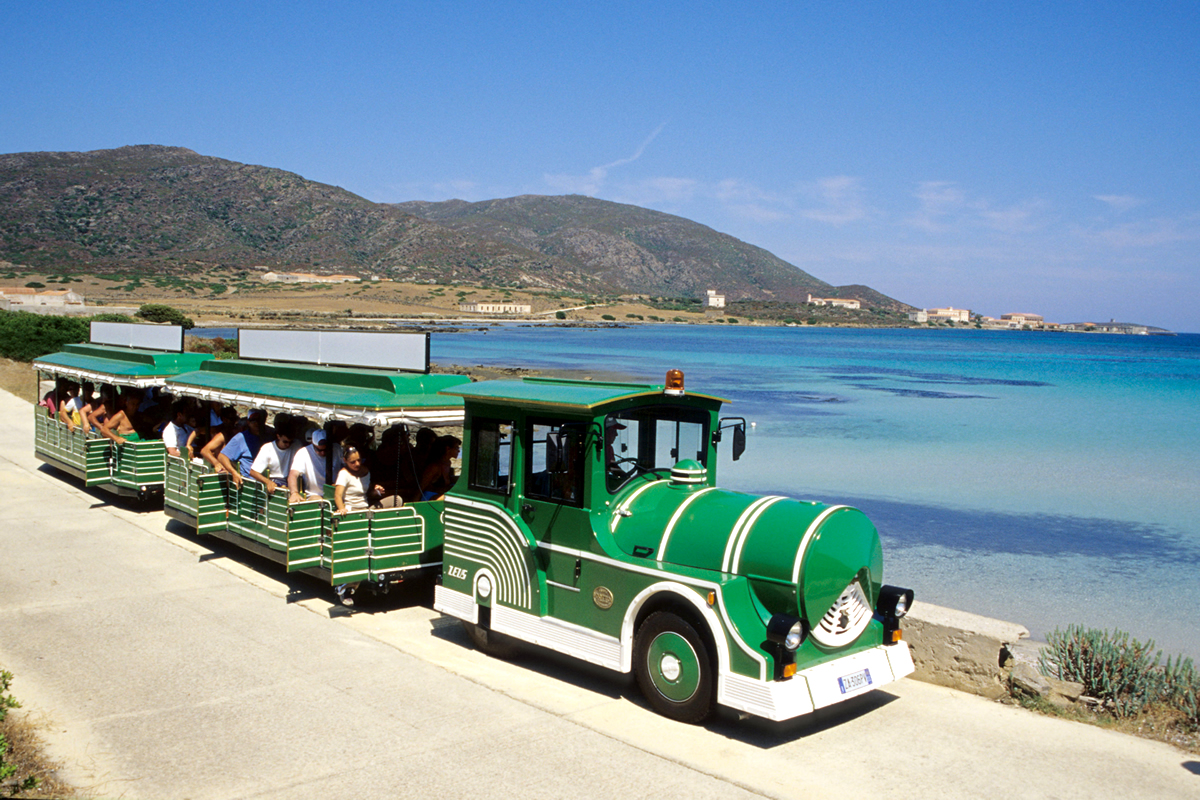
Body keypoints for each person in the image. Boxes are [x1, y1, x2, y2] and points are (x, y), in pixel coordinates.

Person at [215, 409, 267, 487]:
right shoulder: (241, 438)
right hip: (249, 483)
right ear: (248, 422)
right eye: (253, 420)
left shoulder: (269, 435)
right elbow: (222, 456)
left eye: (260, 420)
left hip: (266, 481)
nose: (257, 423)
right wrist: (234, 473)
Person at [249, 418, 299, 495]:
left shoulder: (296, 445)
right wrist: (268, 482)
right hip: (274, 480)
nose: (288, 445)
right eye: (285, 442)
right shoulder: (267, 448)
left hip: (291, 479)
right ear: (278, 436)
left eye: (290, 442)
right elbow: (253, 472)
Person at [334, 446, 382, 514]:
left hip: (366, 509)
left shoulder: (366, 472)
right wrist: (342, 509)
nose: (357, 464)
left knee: (397, 500)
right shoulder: (343, 474)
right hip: (351, 510)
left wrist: (376, 491)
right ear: (345, 460)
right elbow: (338, 496)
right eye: (352, 462)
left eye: (359, 460)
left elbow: (368, 494)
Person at [288, 429, 331, 503]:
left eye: (325, 449)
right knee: (320, 502)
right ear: (312, 444)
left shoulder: (337, 449)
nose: (323, 453)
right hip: (314, 495)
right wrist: (294, 493)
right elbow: (293, 475)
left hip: (335, 494)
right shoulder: (303, 453)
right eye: (319, 450)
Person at [417, 435, 461, 501]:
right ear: (448, 449)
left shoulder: (448, 463)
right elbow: (421, 487)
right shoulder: (435, 467)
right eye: (456, 448)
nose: (459, 451)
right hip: (430, 497)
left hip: (440, 495)